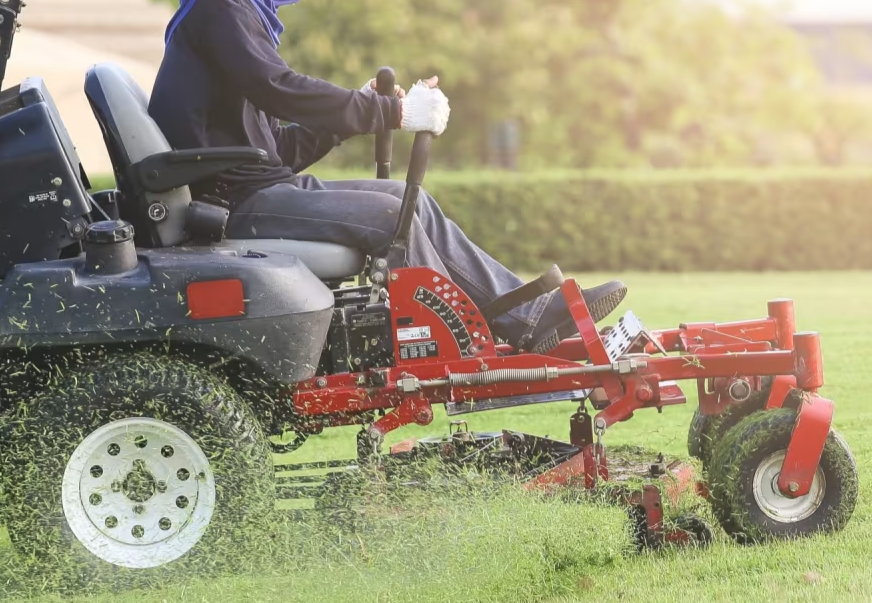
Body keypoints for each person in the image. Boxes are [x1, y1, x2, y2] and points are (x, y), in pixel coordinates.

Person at [149, 0, 627, 353]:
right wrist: (389, 110)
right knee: (390, 211)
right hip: (230, 203)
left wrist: (364, 111)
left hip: (250, 188)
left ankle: (529, 318)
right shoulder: (220, 10)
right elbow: (283, 91)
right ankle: (458, 342)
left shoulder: (234, 16)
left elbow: (276, 150)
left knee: (406, 198)